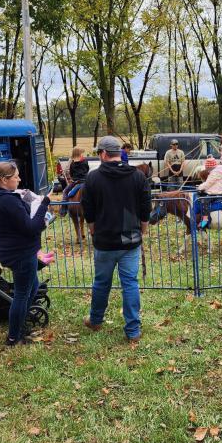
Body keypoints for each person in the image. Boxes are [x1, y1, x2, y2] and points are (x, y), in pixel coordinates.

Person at [81, 136, 152, 344]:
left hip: (104, 240)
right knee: (130, 283)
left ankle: (95, 320)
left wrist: (93, 231)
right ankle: (133, 331)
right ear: (118, 153)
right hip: (130, 240)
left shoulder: (93, 178)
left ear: (103, 154)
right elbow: (145, 207)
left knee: (102, 282)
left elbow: (89, 210)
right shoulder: (137, 176)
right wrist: (143, 229)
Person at [0, 161, 50, 346]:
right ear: (4, 180)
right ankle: (13, 336)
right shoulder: (8, 200)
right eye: (16, 176)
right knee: (21, 295)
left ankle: (19, 326)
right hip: (22, 254)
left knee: (32, 288)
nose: (19, 179)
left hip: (10, 250)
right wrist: (44, 204)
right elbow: (31, 227)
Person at [197, 164, 222, 229]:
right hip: (217, 190)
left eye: (207, 167)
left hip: (214, 193)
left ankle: (205, 220)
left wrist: (199, 188)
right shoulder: (217, 172)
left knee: (204, 202)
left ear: (209, 167)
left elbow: (208, 183)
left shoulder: (214, 174)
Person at [60, 147, 89, 216]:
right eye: (82, 153)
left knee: (65, 191)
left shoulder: (72, 164)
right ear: (80, 154)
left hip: (76, 182)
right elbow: (87, 170)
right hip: (85, 182)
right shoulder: (85, 161)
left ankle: (64, 210)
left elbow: (71, 174)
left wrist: (72, 178)